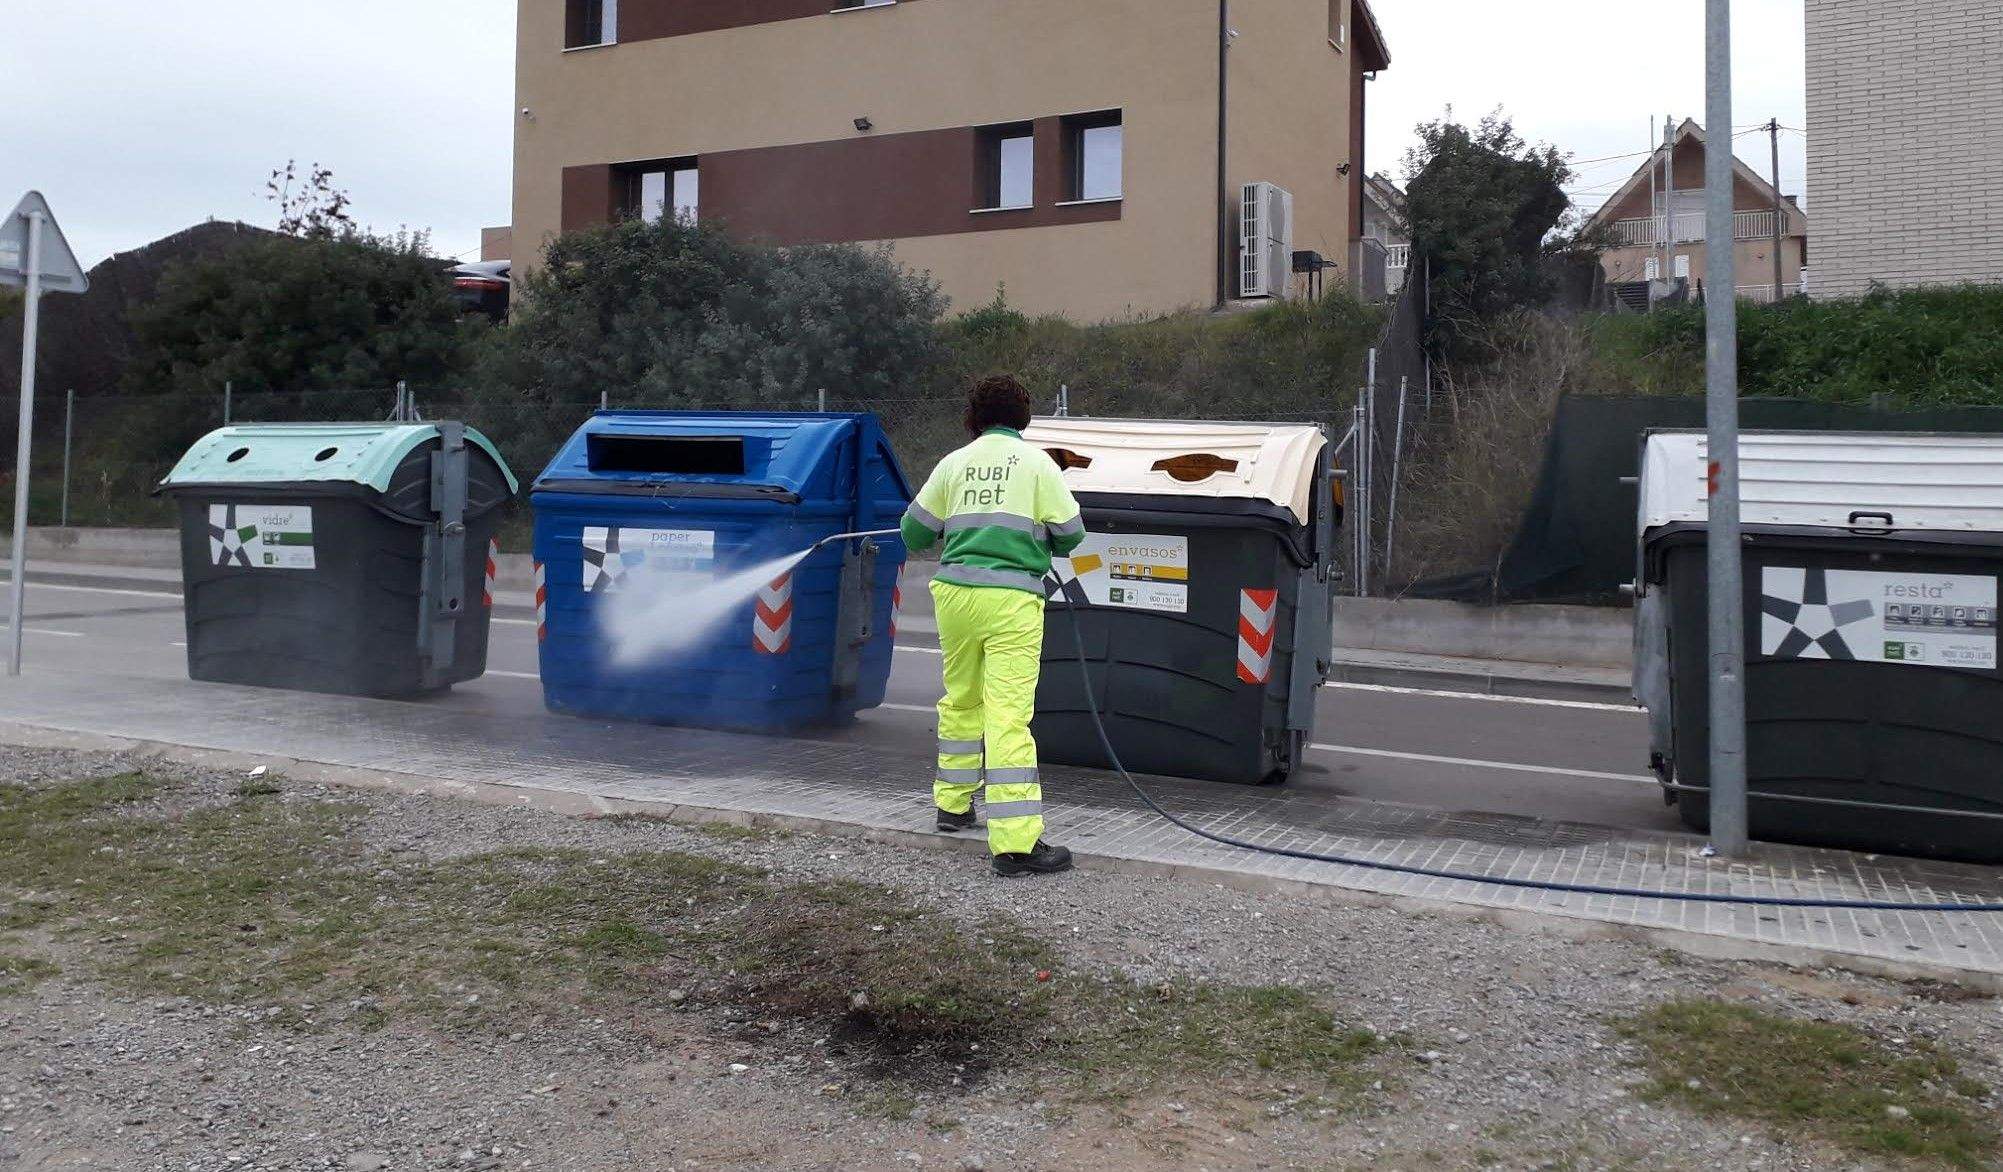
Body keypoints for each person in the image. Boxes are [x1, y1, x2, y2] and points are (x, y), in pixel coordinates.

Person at [900, 375, 1086, 876]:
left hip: (955, 597)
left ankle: (953, 805)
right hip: (1010, 602)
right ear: (1023, 417)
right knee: (1008, 716)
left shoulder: (953, 463)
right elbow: (1072, 535)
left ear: (974, 417)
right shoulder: (1037, 464)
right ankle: (1016, 844)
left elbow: (913, 532)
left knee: (961, 699)